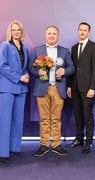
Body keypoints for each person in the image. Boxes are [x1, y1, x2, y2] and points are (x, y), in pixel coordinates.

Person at [29, 25, 75, 157]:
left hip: (58, 88)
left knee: (56, 118)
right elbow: (31, 68)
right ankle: (43, 144)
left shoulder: (64, 51)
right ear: (45, 35)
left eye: (54, 34)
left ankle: (55, 144)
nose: (51, 35)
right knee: (44, 119)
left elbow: (72, 67)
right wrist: (39, 72)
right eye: (49, 33)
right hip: (42, 87)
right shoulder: (37, 50)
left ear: (58, 36)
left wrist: (64, 71)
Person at [0, 20, 30, 163]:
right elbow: (2, 65)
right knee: (5, 120)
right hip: (7, 87)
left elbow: (25, 66)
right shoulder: (5, 45)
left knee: (18, 120)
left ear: (22, 32)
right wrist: (19, 77)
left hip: (21, 88)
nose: (16, 32)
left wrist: (26, 75)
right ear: (10, 31)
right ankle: (3, 153)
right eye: (14, 30)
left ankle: (15, 147)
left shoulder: (25, 48)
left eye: (19, 30)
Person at [66, 22, 95, 154]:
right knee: (77, 115)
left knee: (87, 116)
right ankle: (78, 139)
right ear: (77, 31)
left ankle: (89, 141)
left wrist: (93, 87)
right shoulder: (74, 48)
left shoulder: (94, 47)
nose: (82, 32)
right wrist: (69, 86)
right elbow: (72, 68)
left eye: (85, 30)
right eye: (80, 30)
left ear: (89, 32)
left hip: (87, 88)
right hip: (74, 87)